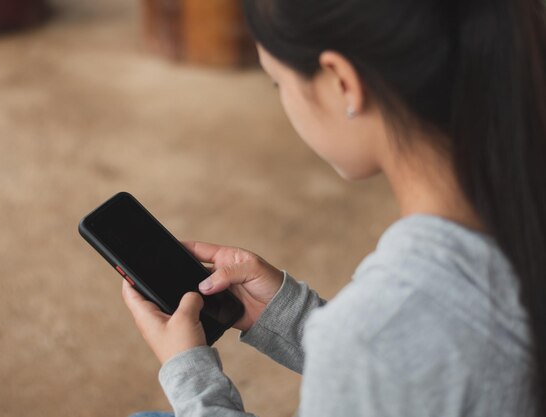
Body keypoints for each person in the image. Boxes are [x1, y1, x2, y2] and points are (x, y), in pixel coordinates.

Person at [122, 0, 546, 415]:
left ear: (342, 82)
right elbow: (410, 366)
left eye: (279, 83)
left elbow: (383, 350)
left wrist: (188, 370)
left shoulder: (372, 332)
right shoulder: (519, 205)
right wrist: (285, 315)